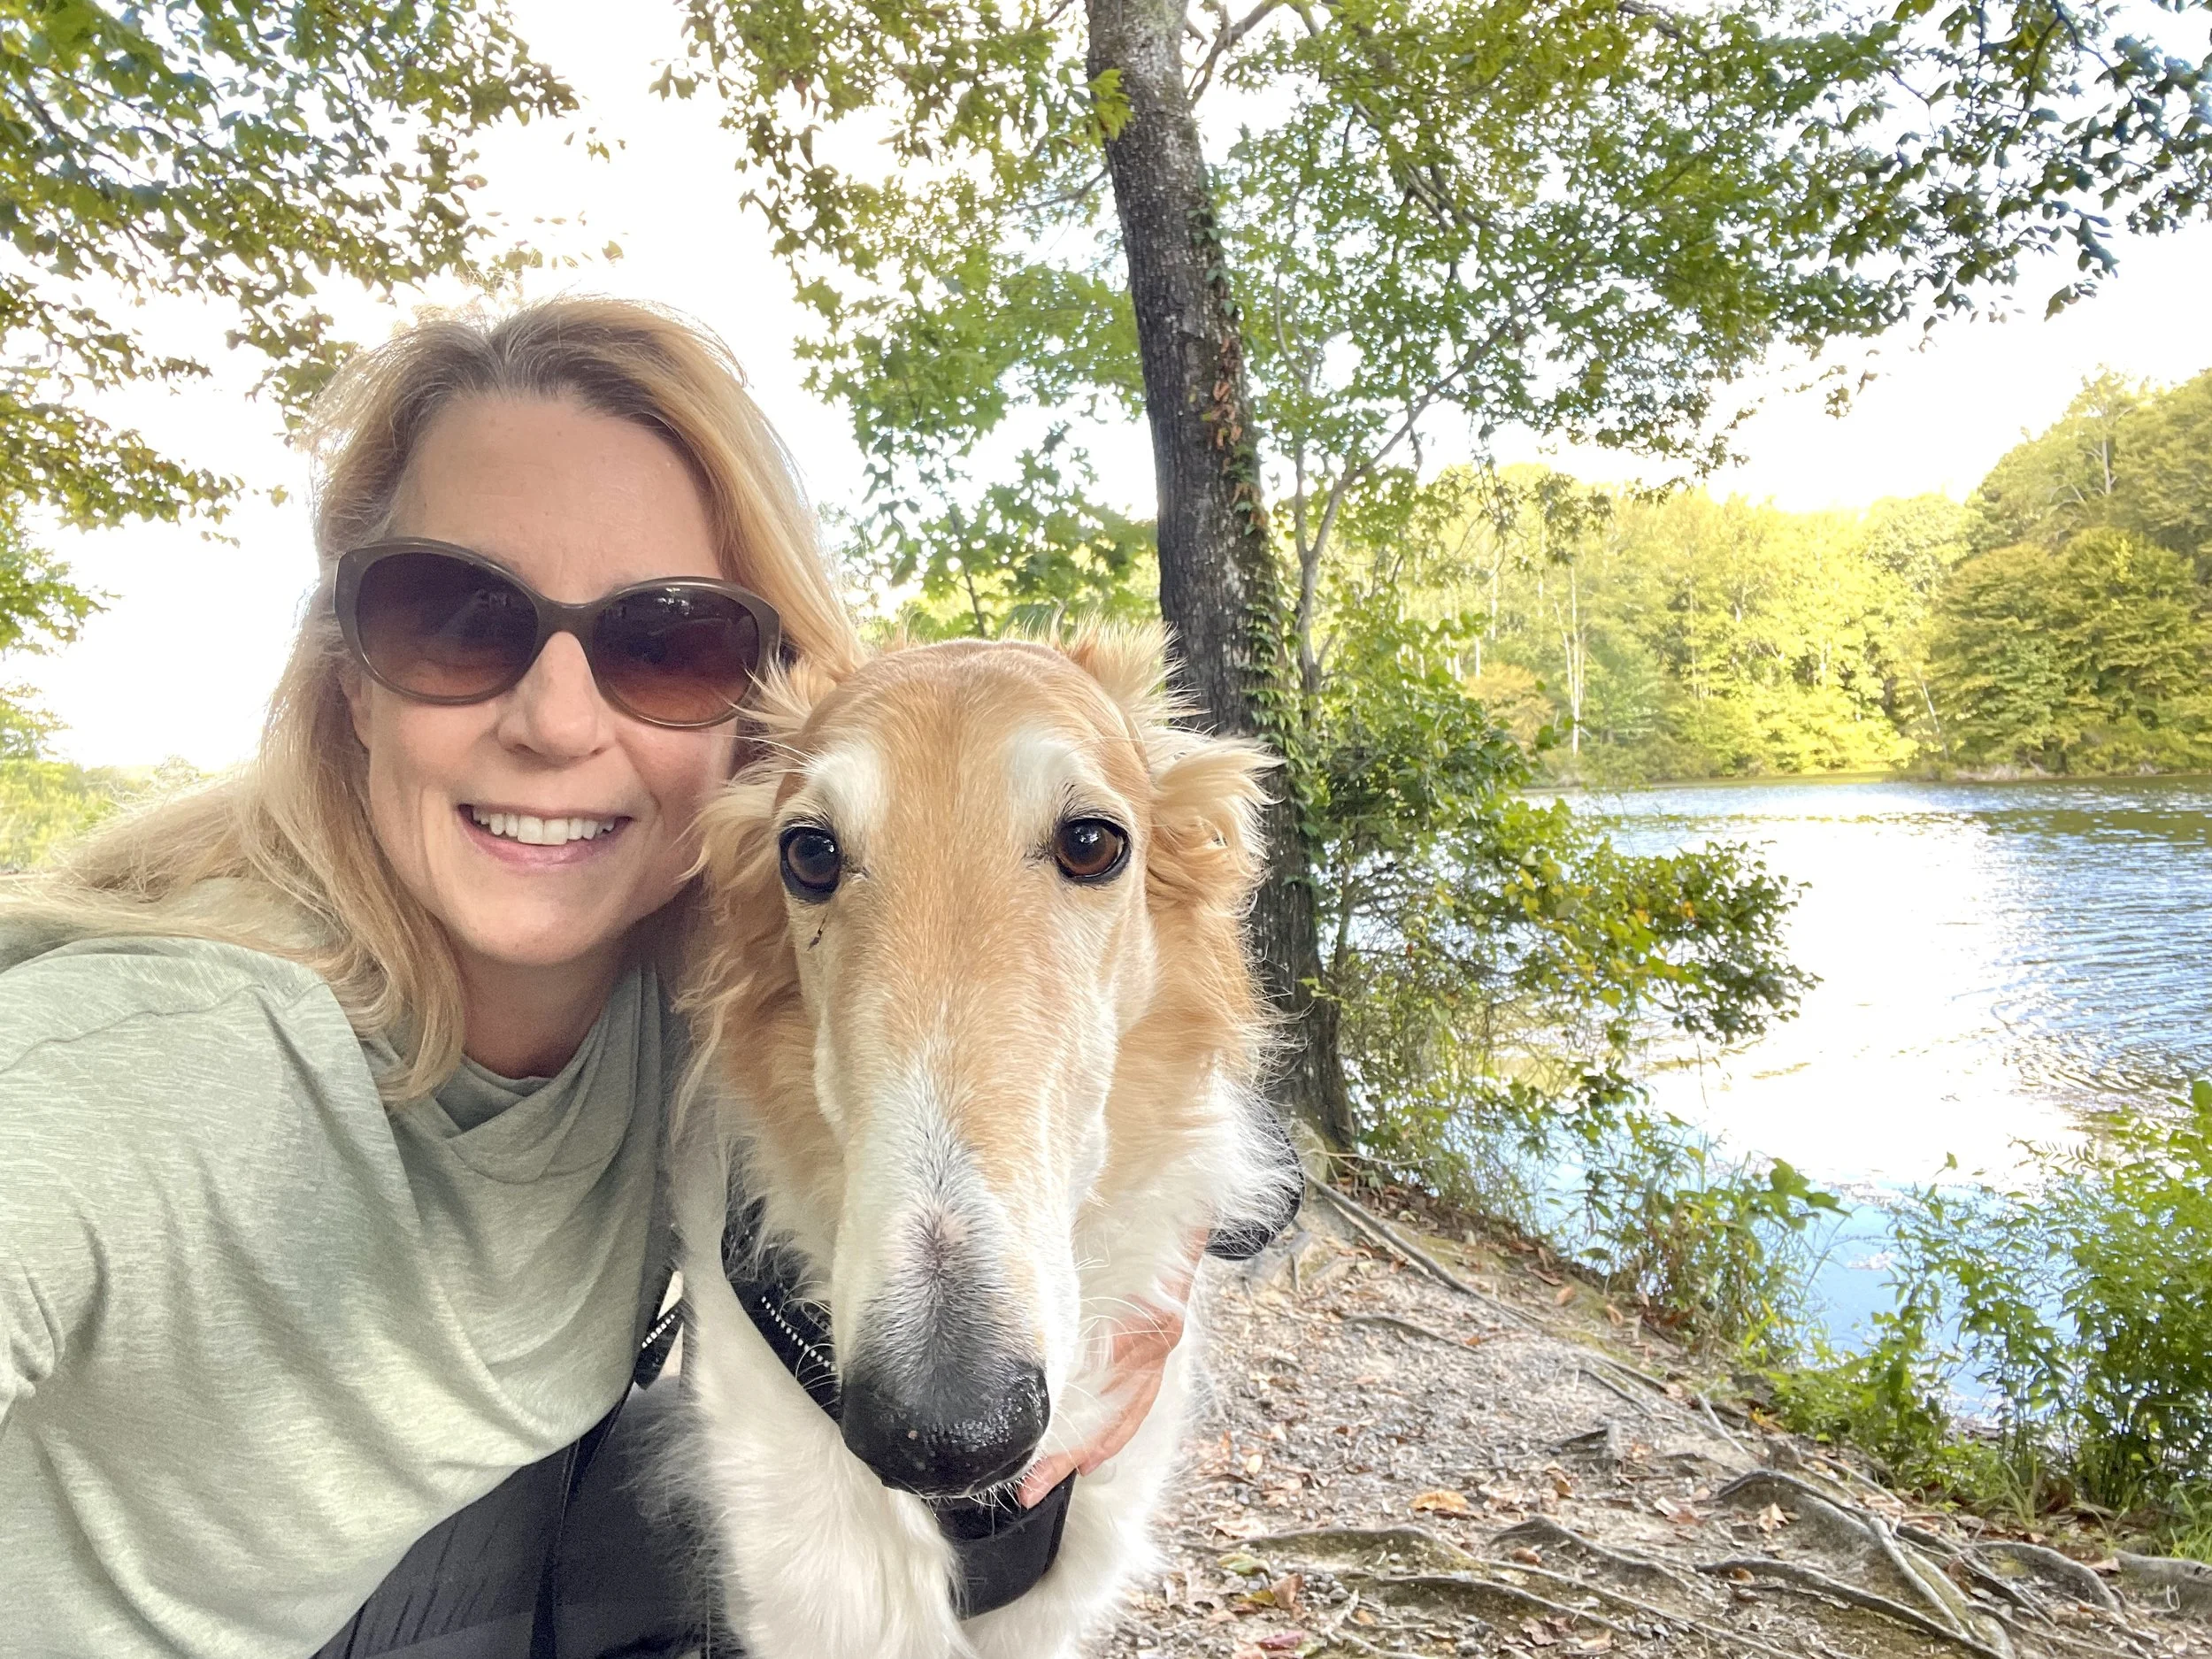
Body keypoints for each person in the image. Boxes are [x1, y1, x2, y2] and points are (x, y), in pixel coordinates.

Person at [0, 297, 1224, 1658]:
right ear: (354, 686)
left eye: (667, 640)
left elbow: (1114, 1009)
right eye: (457, 617)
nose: (558, 719)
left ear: (748, 735)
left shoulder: (686, 982)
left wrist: (1156, 1259)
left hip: (411, 1580)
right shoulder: (124, 1064)